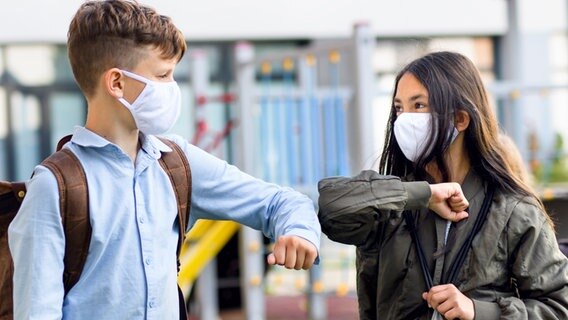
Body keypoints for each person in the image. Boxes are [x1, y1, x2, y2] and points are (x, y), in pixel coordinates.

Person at [7, 1, 320, 319]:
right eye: (162, 75)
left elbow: (280, 201)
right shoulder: (53, 185)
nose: (171, 88)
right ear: (117, 83)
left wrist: (299, 232)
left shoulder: (176, 163)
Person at [318, 51, 568, 319]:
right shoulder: (392, 203)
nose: (404, 119)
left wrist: (478, 311)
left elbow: (557, 307)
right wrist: (421, 195)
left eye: (419, 106)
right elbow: (331, 206)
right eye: (399, 108)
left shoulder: (513, 209)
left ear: (460, 119)